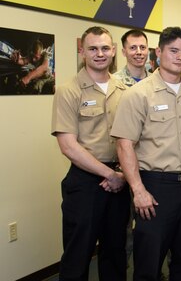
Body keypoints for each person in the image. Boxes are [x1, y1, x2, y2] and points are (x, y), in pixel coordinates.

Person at [111, 26, 181, 280]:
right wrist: (138, 190)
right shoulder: (138, 95)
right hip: (154, 189)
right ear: (158, 52)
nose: (180, 57)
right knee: (149, 264)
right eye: (173, 51)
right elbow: (124, 144)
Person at [51, 26, 129, 280]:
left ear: (114, 51)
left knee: (116, 254)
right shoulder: (69, 90)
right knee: (78, 256)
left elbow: (132, 139)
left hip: (120, 181)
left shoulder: (124, 91)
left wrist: (122, 175)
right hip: (85, 184)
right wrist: (110, 174)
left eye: (105, 48)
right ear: (82, 51)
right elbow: (68, 146)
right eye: (93, 48)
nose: (99, 54)